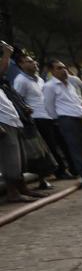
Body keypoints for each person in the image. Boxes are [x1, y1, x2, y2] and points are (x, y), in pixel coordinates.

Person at [42, 59, 82, 188]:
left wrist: (72, 77)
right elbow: (48, 106)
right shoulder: (49, 87)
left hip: (80, 117)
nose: (63, 70)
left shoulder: (70, 82)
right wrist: (59, 119)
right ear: (51, 71)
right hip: (67, 120)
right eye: (59, 68)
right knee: (77, 151)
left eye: (64, 67)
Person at [13, 53, 75, 179]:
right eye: (29, 61)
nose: (34, 63)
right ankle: (60, 172)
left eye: (33, 61)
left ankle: (72, 168)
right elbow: (18, 100)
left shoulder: (40, 80)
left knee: (62, 143)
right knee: (51, 145)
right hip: (38, 118)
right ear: (21, 64)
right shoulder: (20, 80)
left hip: (51, 116)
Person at [0, 41, 35, 202]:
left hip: (12, 120)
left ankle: (22, 189)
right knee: (10, 159)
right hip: (3, 122)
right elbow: (2, 69)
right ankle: (12, 193)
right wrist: (7, 54)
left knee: (19, 158)